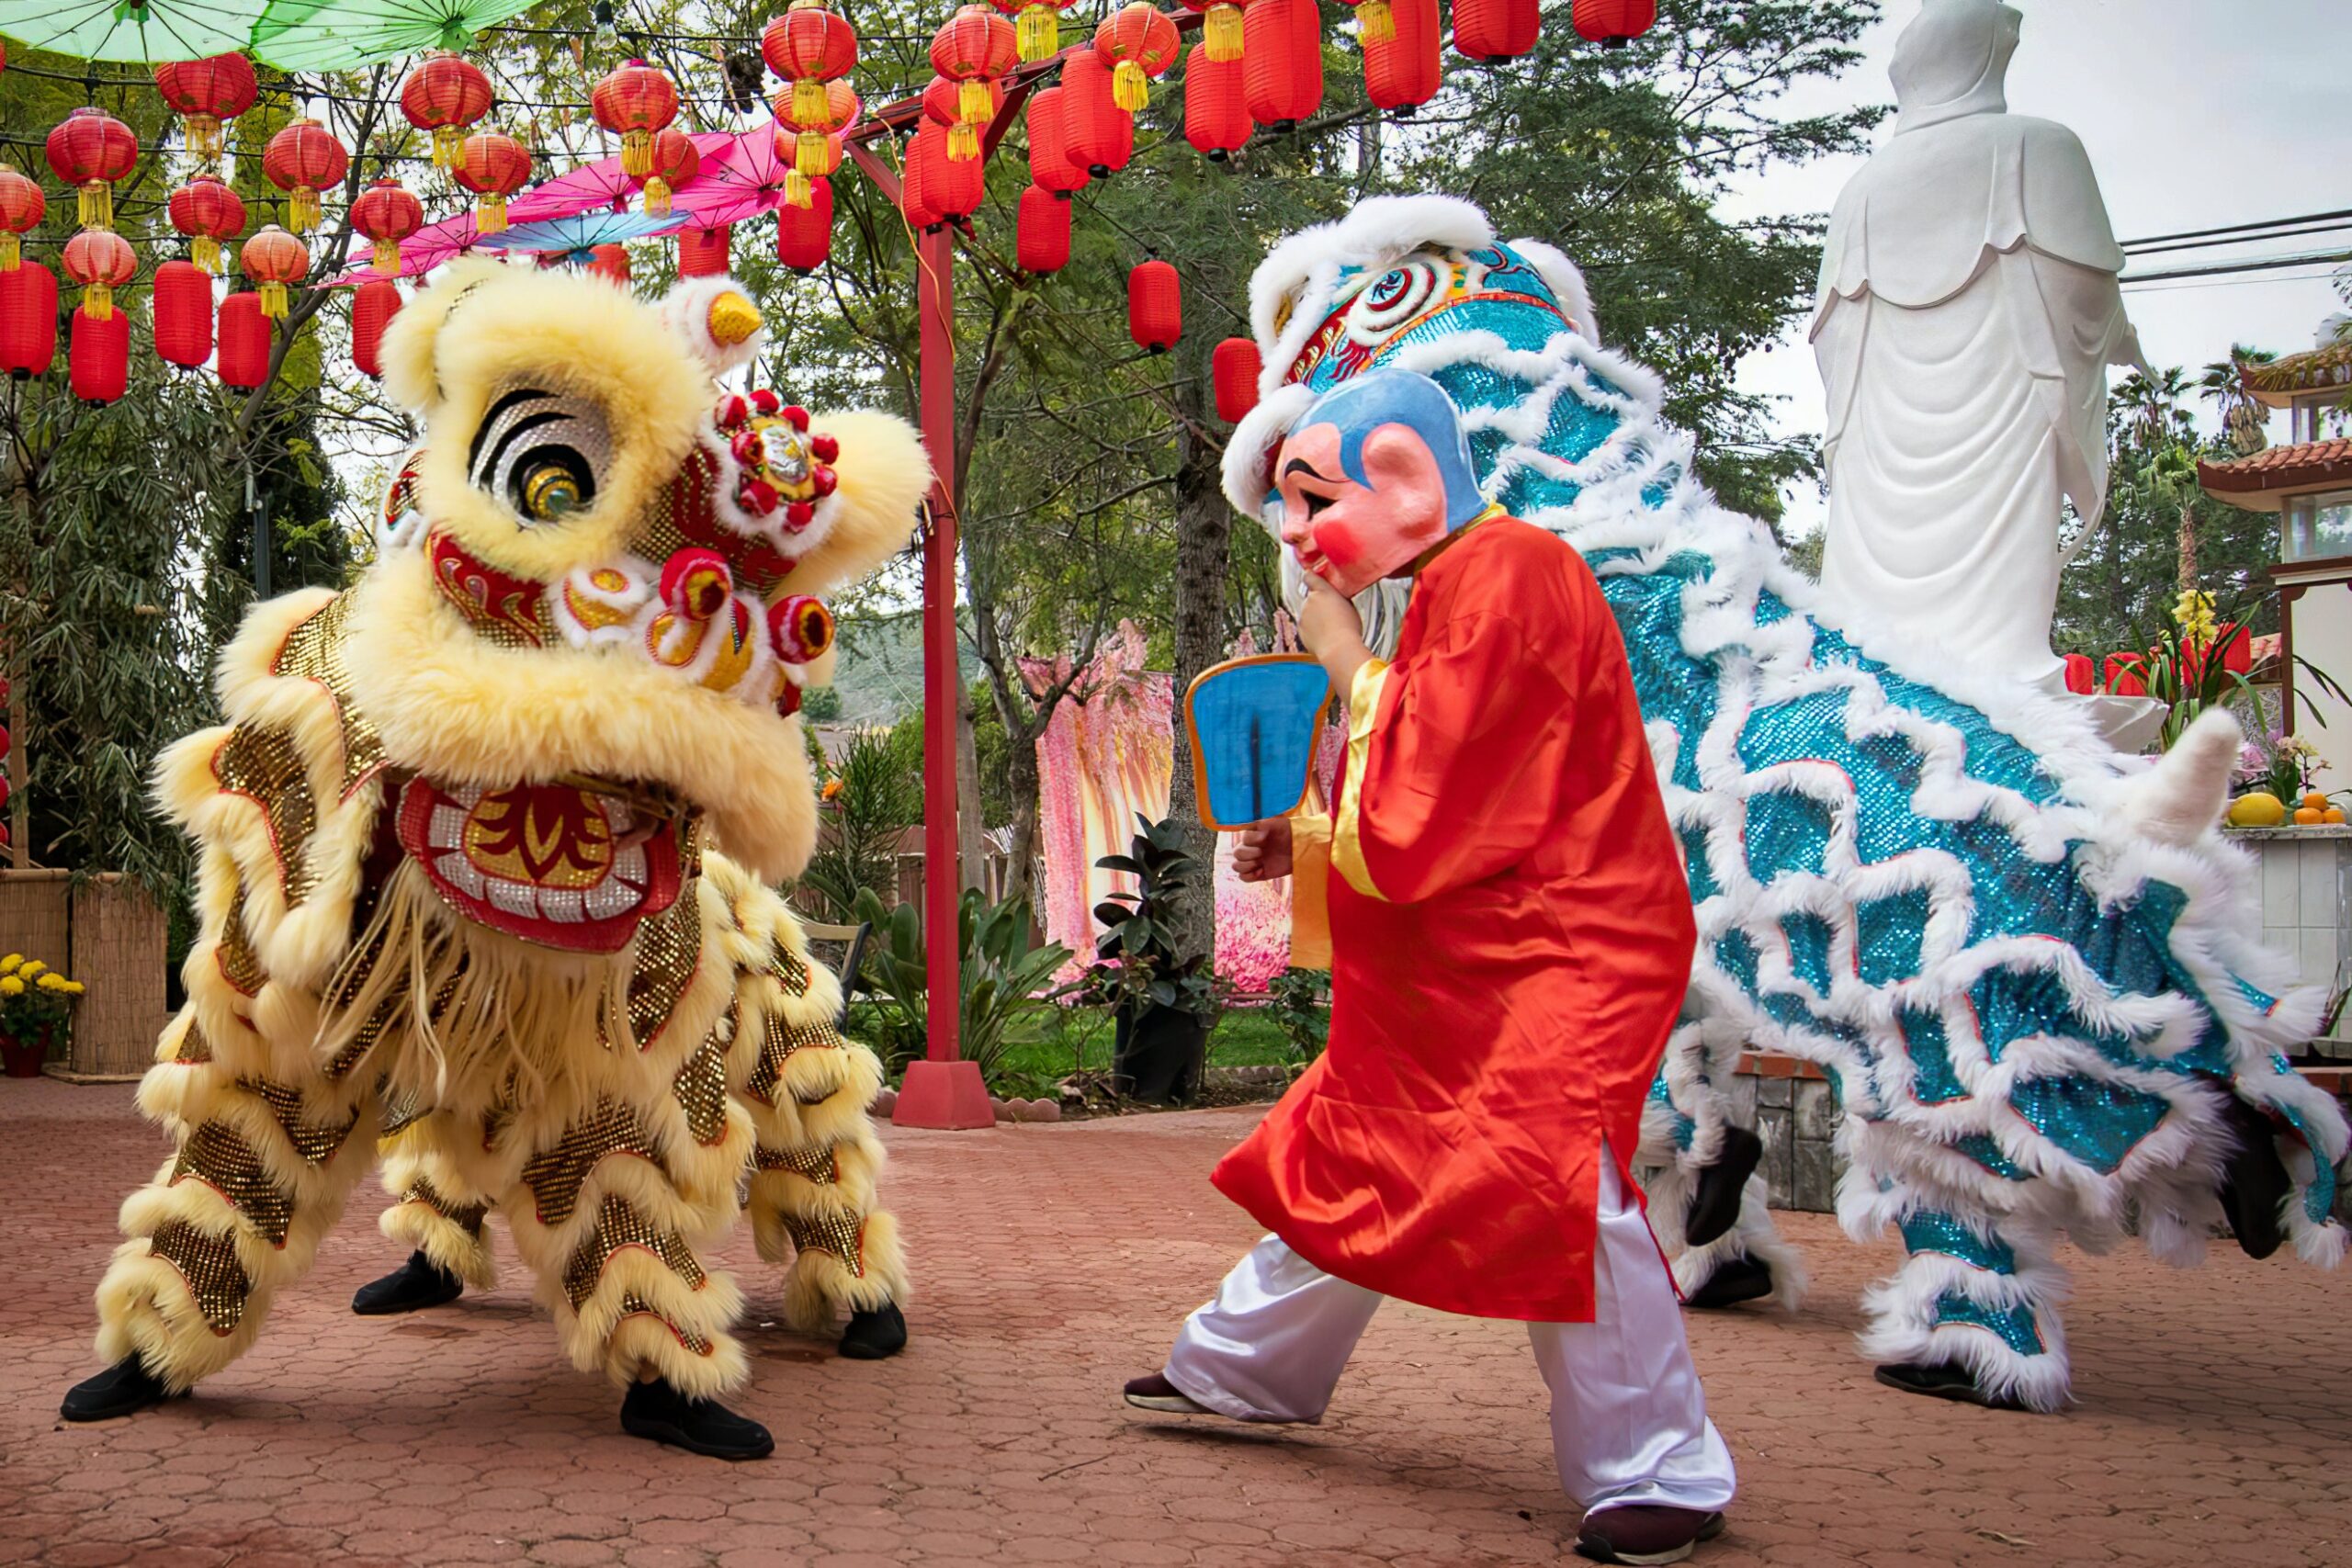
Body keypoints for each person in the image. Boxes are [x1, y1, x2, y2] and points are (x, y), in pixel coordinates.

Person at [1124, 370, 1735, 1566]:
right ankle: (1242, 1368)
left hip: (1563, 947)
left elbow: (1436, 780)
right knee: (1364, 1141)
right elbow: (1429, 792)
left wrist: (1341, 649)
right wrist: (1299, 837)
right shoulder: (1454, 585)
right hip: (1478, 947)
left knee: (1553, 1170)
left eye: (1311, 502)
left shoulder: (1512, 572)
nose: (1297, 542)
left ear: (1403, 476)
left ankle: (1661, 1463)